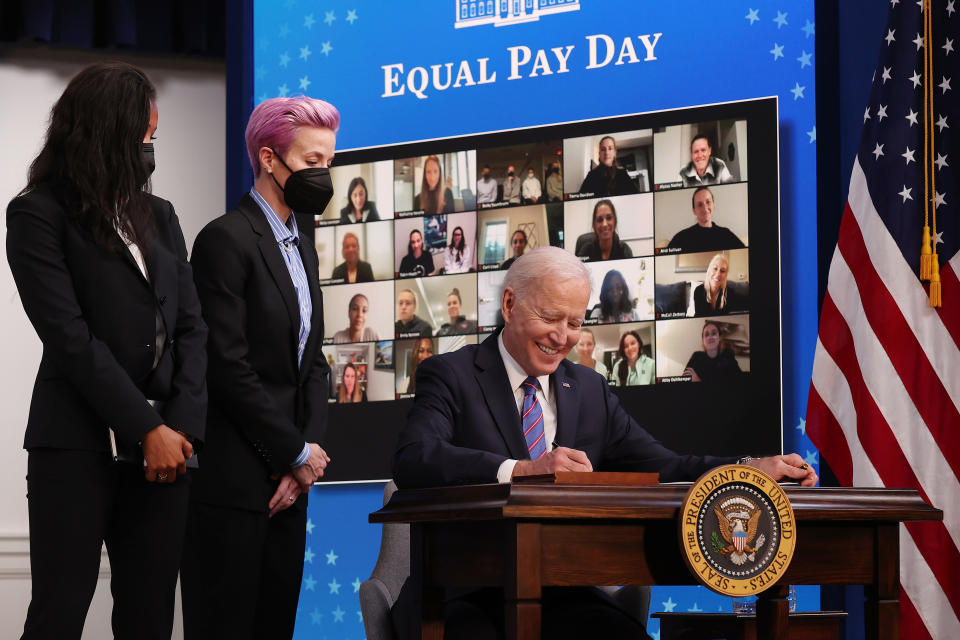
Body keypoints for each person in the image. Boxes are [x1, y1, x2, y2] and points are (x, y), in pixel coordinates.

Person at [391, 246, 817, 640]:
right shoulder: (451, 374)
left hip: (564, 595)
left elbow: (665, 467)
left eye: (574, 323)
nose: (562, 336)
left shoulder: (590, 389)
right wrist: (520, 471)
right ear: (509, 305)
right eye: (551, 317)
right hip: (457, 596)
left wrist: (749, 469)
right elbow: (413, 459)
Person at [6, 61, 207, 640]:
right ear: (107, 132)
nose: (151, 151)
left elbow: (192, 328)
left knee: (148, 619)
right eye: (145, 138)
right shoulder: (36, 214)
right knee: (58, 613)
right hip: (75, 445)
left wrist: (180, 429)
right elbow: (69, 338)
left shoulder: (160, 215)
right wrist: (146, 427)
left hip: (168, 454)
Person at [182, 96, 333, 640]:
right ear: (269, 159)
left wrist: (305, 462)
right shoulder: (224, 239)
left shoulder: (307, 246)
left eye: (328, 163)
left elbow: (311, 362)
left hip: (290, 489)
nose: (323, 176)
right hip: (233, 488)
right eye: (312, 162)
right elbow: (227, 366)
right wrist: (291, 452)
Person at [667, 186, 746, 252]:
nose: (705, 208)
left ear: (713, 205)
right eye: (700, 204)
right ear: (694, 211)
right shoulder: (681, 237)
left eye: (708, 202)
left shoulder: (726, 234)